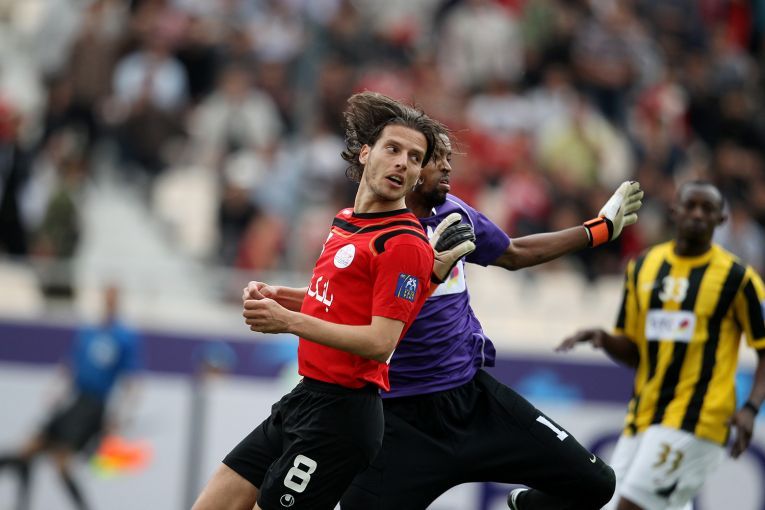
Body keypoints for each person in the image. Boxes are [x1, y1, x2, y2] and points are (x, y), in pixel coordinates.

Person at [340, 121, 644, 510]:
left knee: (596, 484)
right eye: (436, 158)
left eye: (449, 158)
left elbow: (514, 253)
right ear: (410, 168)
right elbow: (351, 318)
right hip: (400, 420)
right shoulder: (367, 233)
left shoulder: (454, 213)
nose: (448, 166)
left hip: (474, 402)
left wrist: (598, 230)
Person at [191, 92, 474, 510]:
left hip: (341, 418)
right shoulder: (346, 221)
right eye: (393, 149)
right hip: (303, 398)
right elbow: (334, 302)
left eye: (415, 158)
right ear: (365, 153)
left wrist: (288, 322)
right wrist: (281, 297)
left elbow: (380, 341)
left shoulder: (403, 243)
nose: (403, 162)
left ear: (418, 175)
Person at [557, 180, 765, 510]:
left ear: (721, 219)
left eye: (707, 209)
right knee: (609, 502)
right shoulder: (643, 267)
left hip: (698, 419)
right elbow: (636, 352)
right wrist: (604, 339)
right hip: (644, 417)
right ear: (674, 211)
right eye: (691, 206)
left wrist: (751, 408)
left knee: (629, 506)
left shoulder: (738, 279)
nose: (698, 214)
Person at [0, 284, 142, 510]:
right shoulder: (89, 332)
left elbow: (131, 379)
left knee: (62, 462)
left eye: (113, 297)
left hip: (93, 405)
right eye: (107, 296)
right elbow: (72, 363)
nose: (109, 301)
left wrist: (121, 415)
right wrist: (58, 391)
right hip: (75, 399)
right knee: (29, 449)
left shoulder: (125, 337)